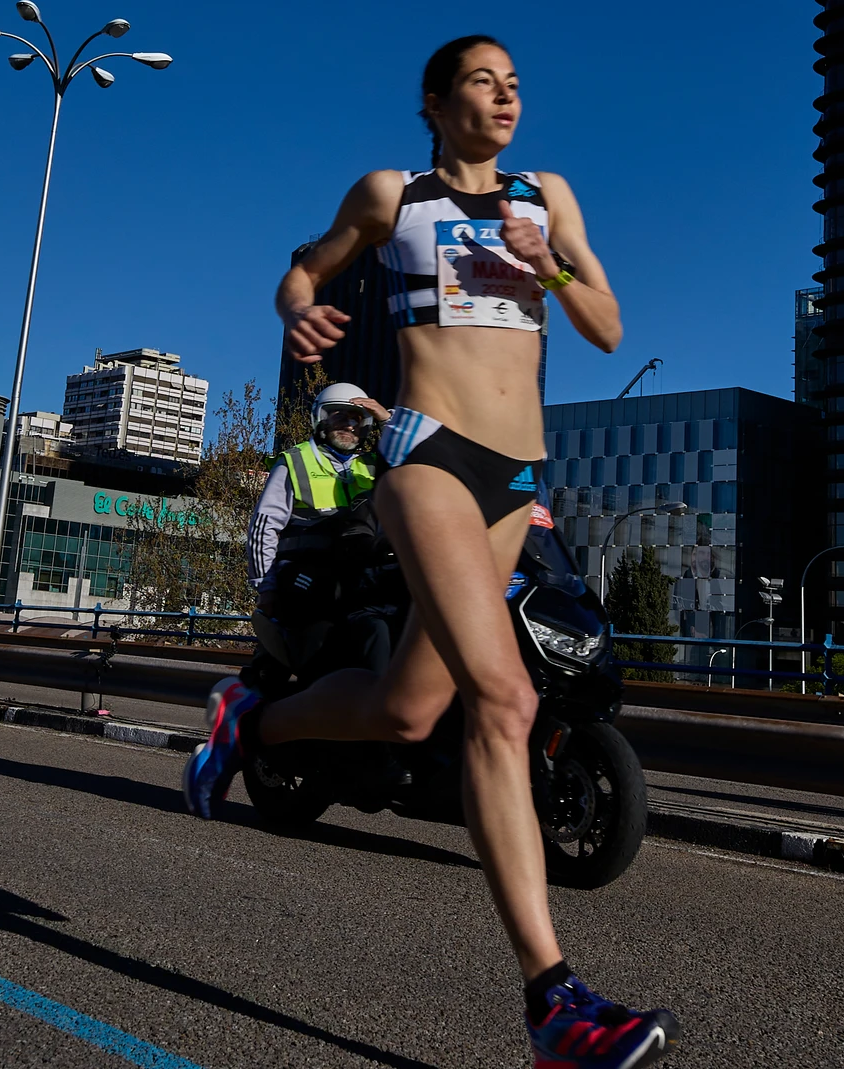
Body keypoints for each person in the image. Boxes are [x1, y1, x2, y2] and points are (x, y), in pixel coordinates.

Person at [184, 36, 679, 1069]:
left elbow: (604, 323)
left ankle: (253, 718)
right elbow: (306, 266)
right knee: (503, 701)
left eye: (514, 85)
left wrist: (552, 264)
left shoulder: (547, 195)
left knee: (408, 707)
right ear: (435, 101)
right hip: (429, 455)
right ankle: (555, 1004)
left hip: (513, 478)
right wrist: (298, 306)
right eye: (483, 82)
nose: (505, 97)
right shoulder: (392, 196)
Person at [247, 382, 396, 675]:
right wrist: (266, 587)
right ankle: (260, 690)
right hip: (304, 574)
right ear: (321, 420)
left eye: (357, 419)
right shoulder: (295, 461)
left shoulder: (371, 467)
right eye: (339, 417)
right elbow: (263, 528)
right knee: (302, 644)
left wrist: (387, 421)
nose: (349, 426)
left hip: (356, 576)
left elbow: (413, 460)